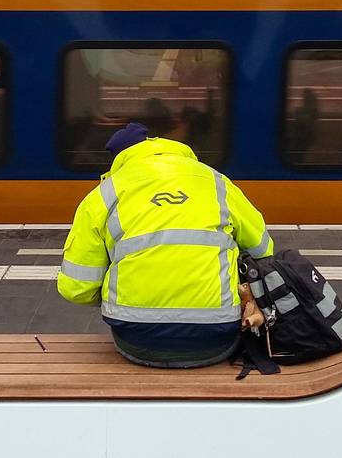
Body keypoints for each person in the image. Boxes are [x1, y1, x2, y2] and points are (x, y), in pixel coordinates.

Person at [56, 123, 275, 368]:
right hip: (216, 337)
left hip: (136, 339)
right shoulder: (217, 183)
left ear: (120, 159)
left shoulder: (103, 194)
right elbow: (263, 251)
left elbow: (77, 288)